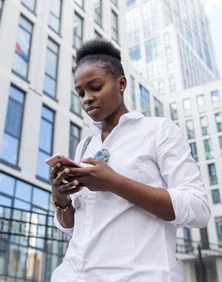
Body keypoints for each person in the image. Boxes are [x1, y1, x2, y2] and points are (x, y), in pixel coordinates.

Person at [50, 38, 211, 281]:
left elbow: (199, 209)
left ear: (121, 84)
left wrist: (114, 183)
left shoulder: (158, 131)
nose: (87, 98)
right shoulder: (85, 146)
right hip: (73, 274)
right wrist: (60, 198)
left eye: (96, 87)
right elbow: (76, 229)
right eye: (80, 93)